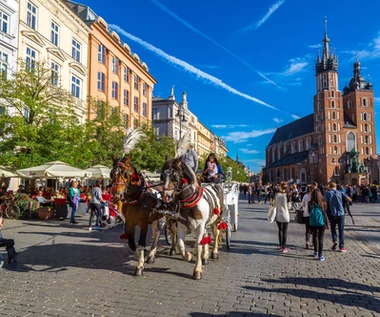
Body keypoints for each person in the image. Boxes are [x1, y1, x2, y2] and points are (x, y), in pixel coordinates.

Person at [325, 182, 351, 252]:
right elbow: (349, 199)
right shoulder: (340, 192)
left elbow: (325, 203)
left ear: (329, 187)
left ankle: (334, 240)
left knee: (333, 228)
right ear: (335, 186)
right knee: (341, 230)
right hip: (341, 213)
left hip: (333, 214)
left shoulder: (327, 193)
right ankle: (342, 247)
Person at [309, 189, 329, 261]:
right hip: (321, 222)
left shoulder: (310, 203)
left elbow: (309, 212)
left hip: (313, 222)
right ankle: (320, 255)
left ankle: (315, 251)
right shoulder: (323, 203)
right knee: (321, 238)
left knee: (315, 236)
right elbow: (325, 212)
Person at [274, 182, 290, 253]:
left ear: (280, 187)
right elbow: (289, 206)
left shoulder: (277, 195)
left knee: (280, 230)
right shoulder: (287, 196)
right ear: (286, 188)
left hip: (278, 214)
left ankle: (280, 245)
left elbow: (274, 205)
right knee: (285, 231)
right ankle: (284, 247)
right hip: (285, 215)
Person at [301, 185, 312, 250]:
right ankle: (314, 242)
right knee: (314, 229)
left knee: (307, 229)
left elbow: (302, 204)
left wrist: (304, 208)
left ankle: (307, 242)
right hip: (314, 215)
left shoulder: (305, 195)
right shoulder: (315, 196)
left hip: (306, 214)